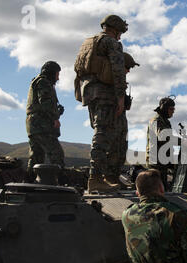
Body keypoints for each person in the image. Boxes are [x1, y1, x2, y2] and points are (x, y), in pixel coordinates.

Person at [74, 15, 128, 193]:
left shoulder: (89, 42)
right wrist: (120, 96)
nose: (120, 36)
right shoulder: (112, 43)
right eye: (120, 32)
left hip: (90, 92)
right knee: (104, 134)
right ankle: (95, 178)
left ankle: (103, 178)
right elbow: (118, 70)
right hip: (105, 93)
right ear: (115, 29)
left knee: (102, 132)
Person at [25, 61, 65, 182]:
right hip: (42, 125)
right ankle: (61, 182)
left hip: (33, 125)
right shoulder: (43, 82)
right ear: (51, 73)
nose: (58, 77)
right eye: (57, 74)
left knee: (36, 157)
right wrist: (55, 117)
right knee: (56, 153)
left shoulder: (37, 81)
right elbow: (46, 103)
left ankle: (29, 182)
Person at [105, 52, 140, 189]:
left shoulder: (120, 81)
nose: (129, 70)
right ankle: (108, 178)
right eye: (127, 67)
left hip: (121, 121)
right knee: (111, 148)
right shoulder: (110, 79)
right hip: (112, 119)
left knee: (121, 149)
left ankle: (115, 177)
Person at [146, 96, 178, 189]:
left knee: (163, 187)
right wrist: (183, 142)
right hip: (155, 161)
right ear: (164, 108)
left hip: (163, 160)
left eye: (174, 109)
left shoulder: (166, 122)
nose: (173, 111)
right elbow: (163, 136)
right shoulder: (156, 121)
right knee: (156, 188)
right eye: (171, 109)